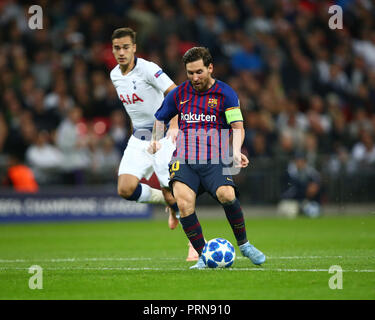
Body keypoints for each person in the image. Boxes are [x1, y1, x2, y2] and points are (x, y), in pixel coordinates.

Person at [150, 47, 266, 269]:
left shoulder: (226, 94)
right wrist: (156, 140)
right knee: (184, 204)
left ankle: (245, 245)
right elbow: (160, 118)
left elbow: (237, 126)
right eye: (190, 73)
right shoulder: (179, 94)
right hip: (184, 159)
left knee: (227, 194)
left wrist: (235, 151)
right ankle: (204, 255)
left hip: (214, 159)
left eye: (199, 72)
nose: (194, 77)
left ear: (210, 68)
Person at [110, 27, 180, 230]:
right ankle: (165, 199)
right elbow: (135, 109)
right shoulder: (115, 75)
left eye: (125, 47)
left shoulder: (148, 69)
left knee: (175, 191)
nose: (121, 52)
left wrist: (174, 124)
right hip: (139, 138)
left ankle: (194, 245)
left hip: (163, 135)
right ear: (113, 50)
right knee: (125, 189)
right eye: (117, 48)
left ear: (134, 48)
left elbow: (174, 92)